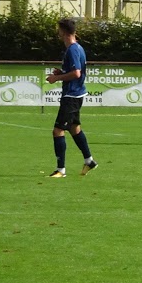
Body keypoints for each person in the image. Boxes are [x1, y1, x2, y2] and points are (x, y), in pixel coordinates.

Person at [45, 17, 98, 179]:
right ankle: (89, 161)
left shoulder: (73, 50)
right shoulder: (77, 48)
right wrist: (61, 73)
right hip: (76, 94)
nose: (57, 33)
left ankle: (60, 170)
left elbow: (76, 73)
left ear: (63, 31)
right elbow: (74, 71)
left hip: (72, 96)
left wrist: (56, 79)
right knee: (74, 128)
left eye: (58, 29)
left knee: (58, 130)